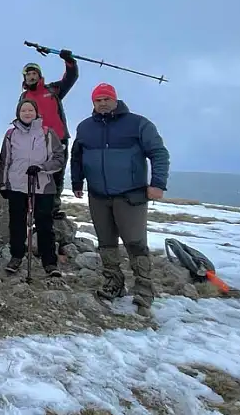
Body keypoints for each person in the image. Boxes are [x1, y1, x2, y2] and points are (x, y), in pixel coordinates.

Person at [71, 82, 170, 313]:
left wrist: (158, 184)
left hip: (131, 195)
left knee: (135, 243)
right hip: (98, 195)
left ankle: (144, 289)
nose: (102, 103)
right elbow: (77, 156)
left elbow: (158, 153)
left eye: (106, 99)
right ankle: (114, 282)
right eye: (98, 100)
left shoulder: (138, 124)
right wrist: (77, 182)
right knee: (106, 242)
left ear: (115, 99)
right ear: (93, 103)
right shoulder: (85, 127)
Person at [0, 99, 66, 283]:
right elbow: (4, 161)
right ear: (18, 113)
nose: (27, 113)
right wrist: (3, 184)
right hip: (17, 185)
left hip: (42, 185)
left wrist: (42, 167)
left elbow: (59, 158)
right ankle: (16, 256)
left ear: (36, 113)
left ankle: (49, 262)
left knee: (44, 224)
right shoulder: (11, 134)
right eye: (23, 110)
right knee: (17, 223)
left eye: (30, 110)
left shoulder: (47, 133)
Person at [20, 49, 78, 214]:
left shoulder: (53, 90)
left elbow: (71, 78)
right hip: (36, 141)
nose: (31, 76)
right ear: (24, 78)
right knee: (38, 172)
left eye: (34, 73)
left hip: (58, 139)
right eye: (28, 74)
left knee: (57, 174)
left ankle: (54, 208)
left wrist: (69, 62)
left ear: (39, 76)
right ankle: (35, 207)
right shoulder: (24, 97)